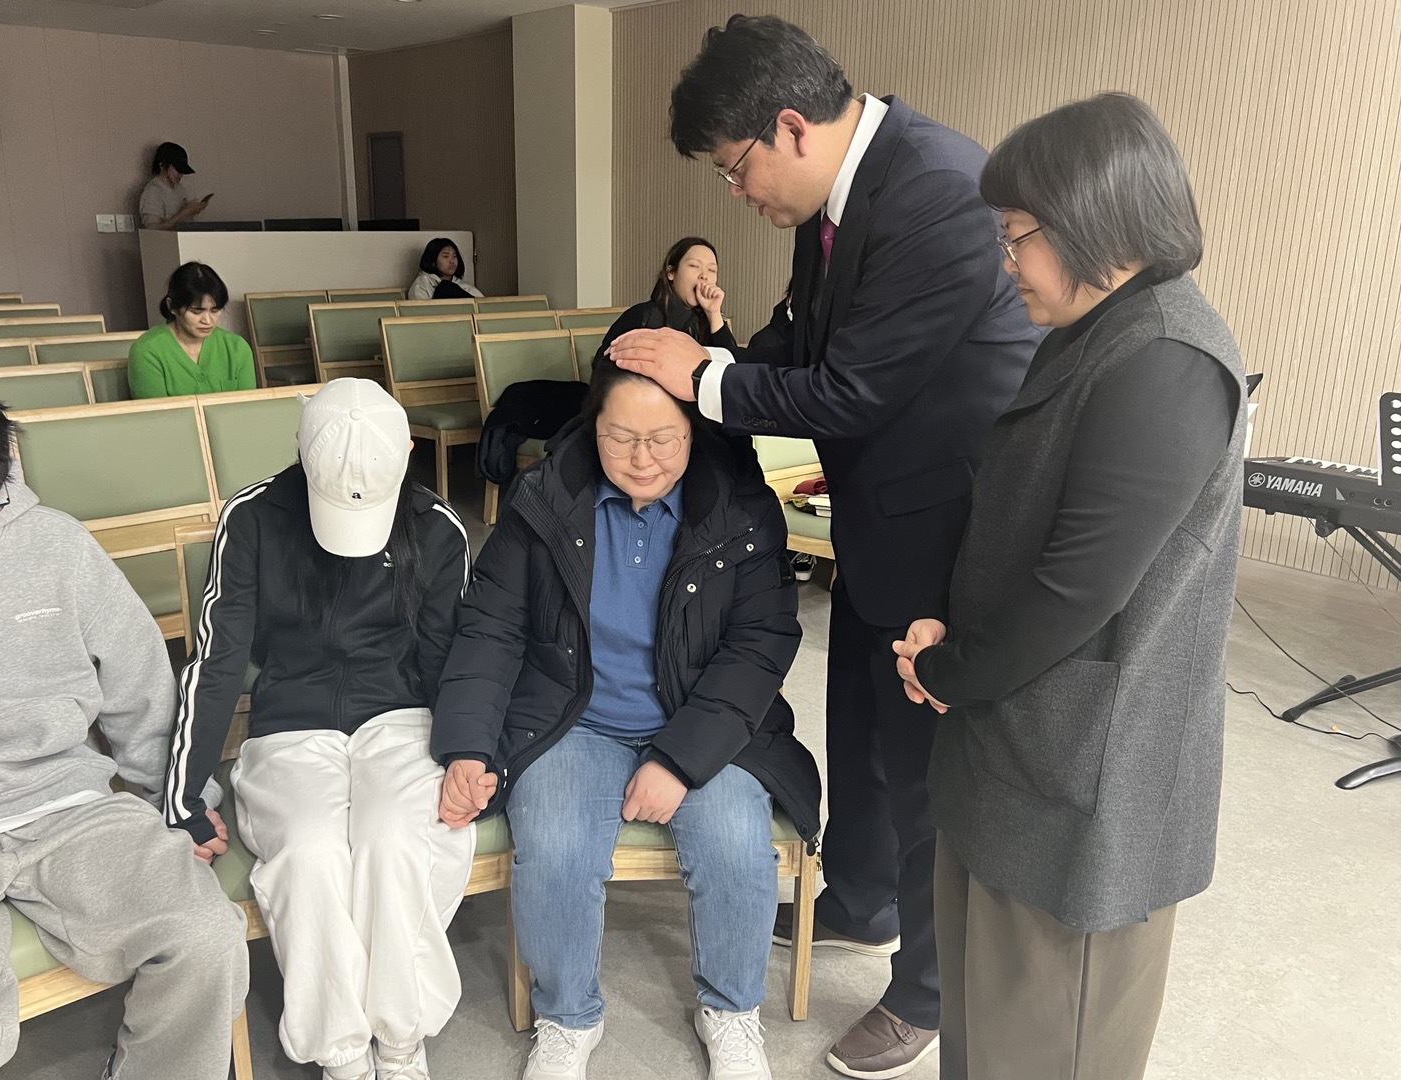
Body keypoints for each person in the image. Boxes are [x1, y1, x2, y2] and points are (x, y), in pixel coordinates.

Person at [608, 15, 1037, 1076]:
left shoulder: (937, 192)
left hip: (948, 528)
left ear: (791, 127)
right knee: (859, 721)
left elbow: (849, 390)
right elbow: (799, 339)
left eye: (735, 167)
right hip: (878, 516)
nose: (737, 193)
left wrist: (703, 380)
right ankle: (861, 897)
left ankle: (929, 991)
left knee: (924, 763)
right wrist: (699, 371)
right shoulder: (838, 199)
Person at [891, 93, 1245, 1080]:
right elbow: (1019, 518)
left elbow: (1074, 590)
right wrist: (949, 636)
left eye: (1016, 236)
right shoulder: (1094, 328)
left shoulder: (1166, 358)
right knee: (984, 1036)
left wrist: (948, 671)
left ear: (1093, 220)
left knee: (1046, 1048)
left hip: (1084, 772)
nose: (1006, 261)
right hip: (1017, 743)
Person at [433, 358, 821, 1080]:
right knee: (554, 847)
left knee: (736, 846)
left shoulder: (740, 506)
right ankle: (567, 1018)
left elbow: (760, 642)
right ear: (592, 429)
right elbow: (491, 627)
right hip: (572, 716)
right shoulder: (544, 498)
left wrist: (679, 759)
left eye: (663, 439)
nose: (642, 459)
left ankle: (731, 1012)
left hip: (700, 717)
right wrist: (468, 745)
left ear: (695, 433)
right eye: (620, 438)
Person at [162, 378, 474, 1080]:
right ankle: (341, 1053)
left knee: (396, 841)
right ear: (300, 452)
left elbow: (454, 661)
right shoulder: (251, 518)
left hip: (402, 714)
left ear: (405, 459)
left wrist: (474, 756)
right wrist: (184, 796)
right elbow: (216, 661)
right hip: (289, 722)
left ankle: (400, 1042)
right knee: (309, 851)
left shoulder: (436, 525)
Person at [0, 358, 249, 1080]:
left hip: (70, 805)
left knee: (204, 936)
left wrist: (181, 799)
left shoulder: (56, 542)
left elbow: (139, 682)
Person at [593, 237, 736, 374]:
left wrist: (713, 312)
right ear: (671, 273)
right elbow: (603, 369)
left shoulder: (709, 321)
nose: (704, 275)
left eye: (712, 270)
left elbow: (734, 370)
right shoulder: (643, 316)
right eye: (694, 265)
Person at [128, 261, 257, 398]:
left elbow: (247, 407)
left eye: (215, 310)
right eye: (196, 311)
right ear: (172, 307)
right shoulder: (148, 351)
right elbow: (156, 411)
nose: (207, 320)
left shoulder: (237, 348)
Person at [139, 141, 210, 229]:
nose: (181, 175)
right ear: (162, 166)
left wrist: (193, 209)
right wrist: (183, 213)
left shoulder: (180, 189)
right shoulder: (153, 191)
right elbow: (151, 230)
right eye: (178, 170)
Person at [407, 237, 484, 300]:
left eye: (454, 256)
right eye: (446, 256)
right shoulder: (422, 285)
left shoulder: (464, 286)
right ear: (433, 261)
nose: (452, 261)